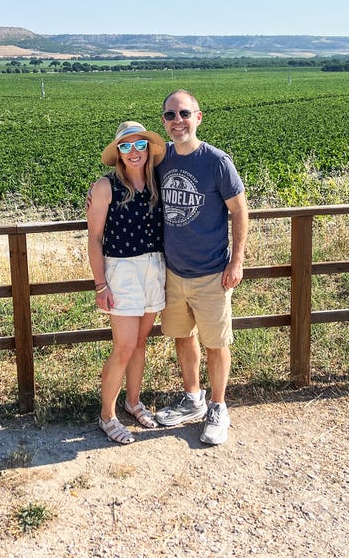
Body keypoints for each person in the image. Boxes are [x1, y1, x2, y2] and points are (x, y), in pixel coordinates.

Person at [154, 90, 248, 446]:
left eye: (184, 113)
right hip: (174, 272)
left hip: (212, 272)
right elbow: (128, 175)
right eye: (170, 115)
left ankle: (219, 405)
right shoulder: (162, 160)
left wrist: (236, 261)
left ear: (198, 117)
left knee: (216, 343)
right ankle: (193, 398)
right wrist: (99, 192)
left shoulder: (216, 161)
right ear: (163, 121)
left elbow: (240, 212)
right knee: (182, 336)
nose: (177, 121)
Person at [87, 121, 167, 445]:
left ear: (148, 148)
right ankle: (108, 415)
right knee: (123, 346)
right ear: (118, 153)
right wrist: (100, 285)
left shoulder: (157, 184)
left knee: (140, 343)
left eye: (139, 145)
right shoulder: (105, 188)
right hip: (121, 270)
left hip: (154, 267)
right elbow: (94, 240)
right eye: (125, 146)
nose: (133, 152)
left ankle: (133, 402)